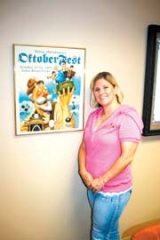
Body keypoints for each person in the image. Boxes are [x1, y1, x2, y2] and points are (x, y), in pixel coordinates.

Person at [78, 72, 143, 240]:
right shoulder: (93, 116)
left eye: (106, 87)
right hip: (92, 186)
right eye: (96, 89)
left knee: (98, 235)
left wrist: (102, 180)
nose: (101, 92)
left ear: (115, 89)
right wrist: (83, 172)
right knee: (111, 231)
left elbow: (127, 156)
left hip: (113, 191)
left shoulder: (127, 117)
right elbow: (84, 147)